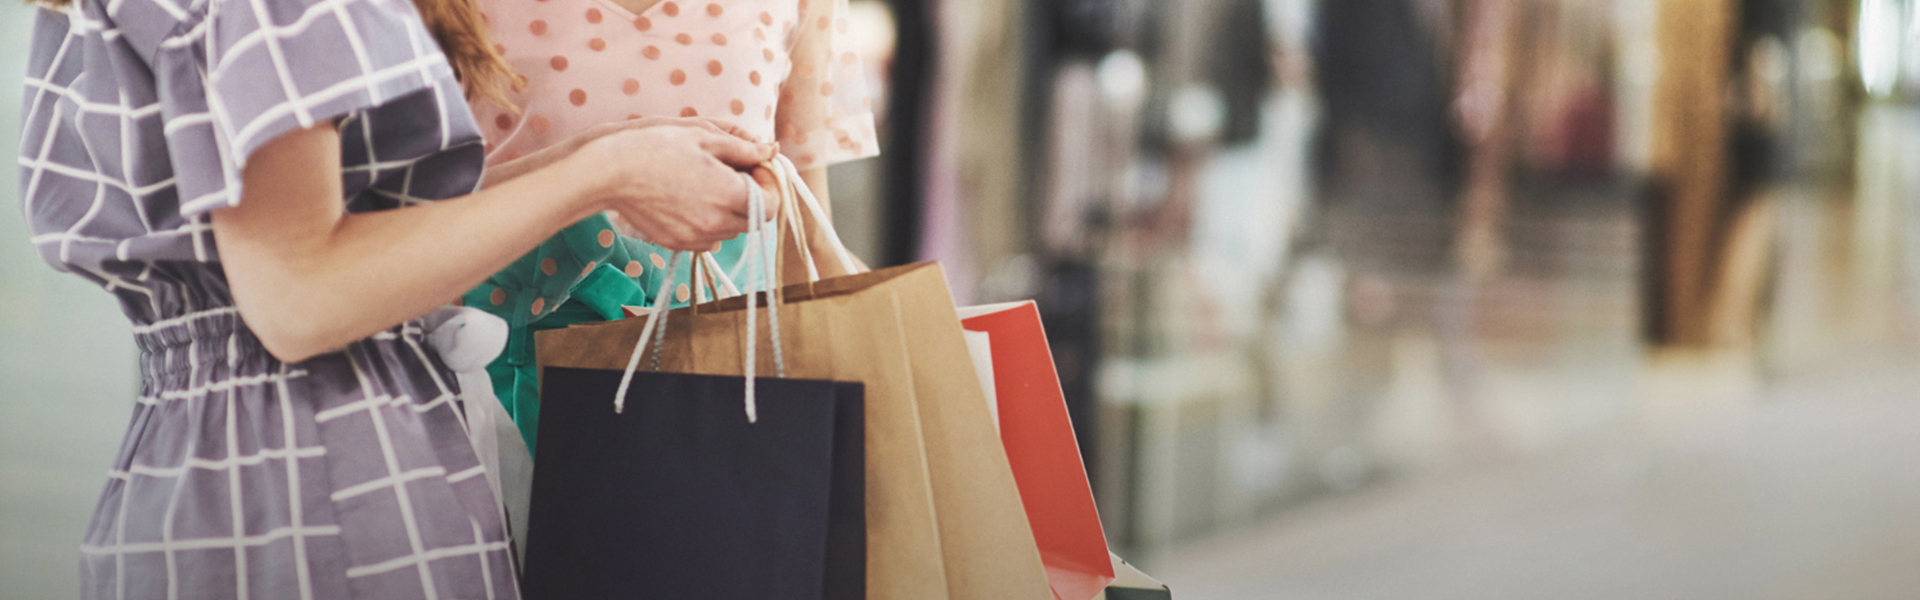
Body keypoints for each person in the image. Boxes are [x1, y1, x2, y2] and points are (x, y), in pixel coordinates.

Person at [17, 0, 777, 596]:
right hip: (326, 476)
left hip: (197, 466)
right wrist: (607, 174)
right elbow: (302, 297)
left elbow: (326, 236)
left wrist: (592, 161)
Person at [461, 0, 880, 453]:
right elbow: (407, 206)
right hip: (496, 381)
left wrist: (922, 343)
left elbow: (807, 226)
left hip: (735, 389)